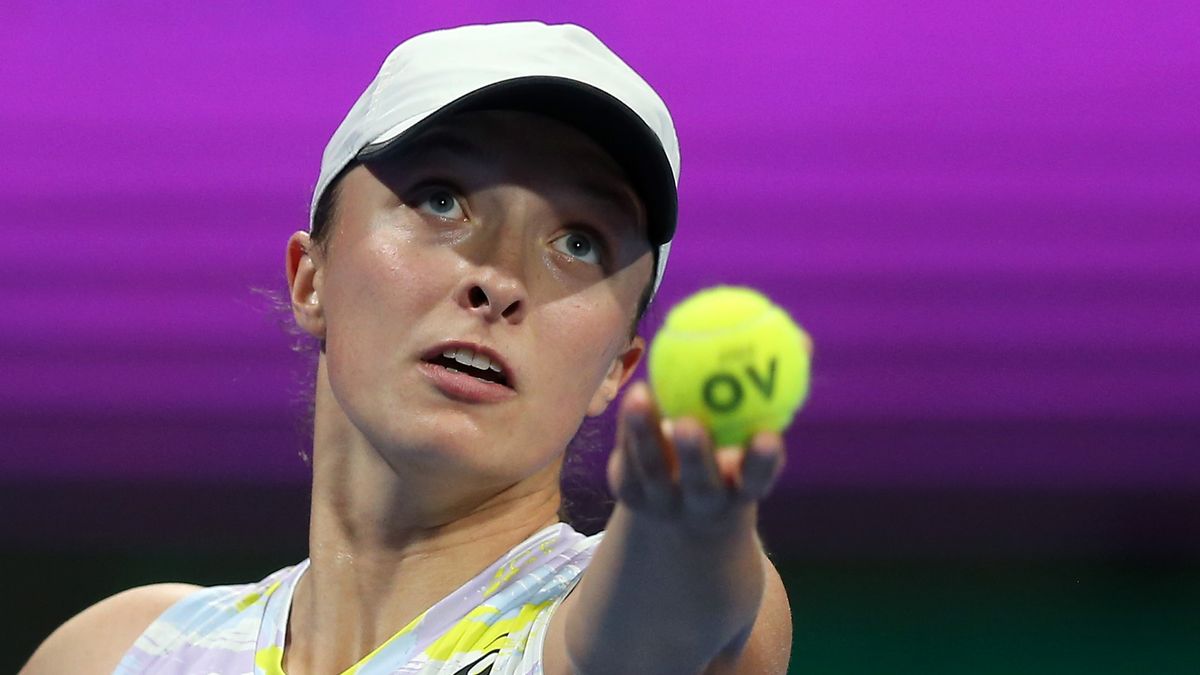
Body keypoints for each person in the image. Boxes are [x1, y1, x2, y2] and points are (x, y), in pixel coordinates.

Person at [22, 21, 792, 675]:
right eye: (442, 199)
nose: (501, 279)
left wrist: (687, 529)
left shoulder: (581, 631)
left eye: (580, 242)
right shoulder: (125, 652)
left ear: (616, 369)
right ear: (310, 277)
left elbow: (664, 621)